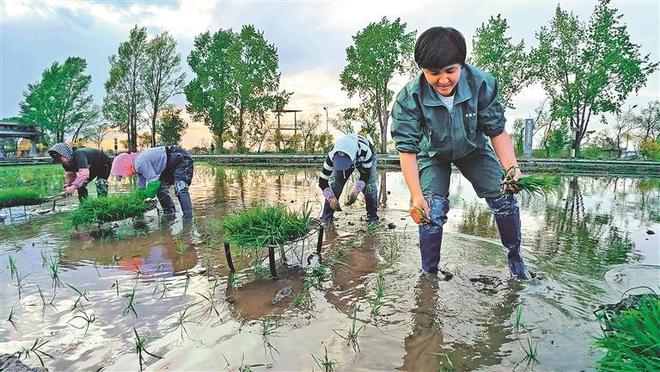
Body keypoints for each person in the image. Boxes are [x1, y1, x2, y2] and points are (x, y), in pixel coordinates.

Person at [390, 26, 531, 279]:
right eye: (434, 73)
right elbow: (407, 150)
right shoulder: (409, 97)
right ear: (423, 70)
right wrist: (415, 195)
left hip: (473, 150)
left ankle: (515, 258)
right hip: (432, 154)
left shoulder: (481, 84)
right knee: (431, 210)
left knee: (504, 198)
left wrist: (512, 170)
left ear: (461, 66)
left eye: (450, 71)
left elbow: (497, 132)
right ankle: (429, 272)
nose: (443, 80)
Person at [111, 145, 194, 220]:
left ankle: (188, 218)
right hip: (166, 166)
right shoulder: (137, 167)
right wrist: (136, 200)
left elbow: (154, 182)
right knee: (160, 189)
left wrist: (146, 195)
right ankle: (170, 214)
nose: (125, 175)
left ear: (125, 166)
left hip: (178, 158)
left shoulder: (139, 163)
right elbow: (142, 186)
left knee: (180, 186)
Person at [319, 133, 379, 223]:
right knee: (335, 185)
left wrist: (356, 191)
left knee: (370, 186)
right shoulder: (332, 156)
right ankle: (326, 218)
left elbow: (365, 174)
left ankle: (372, 217)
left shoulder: (365, 151)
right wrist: (331, 198)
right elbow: (322, 181)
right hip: (349, 157)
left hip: (362, 157)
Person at [48, 143, 112, 201]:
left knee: (100, 182)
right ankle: (84, 204)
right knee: (81, 184)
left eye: (59, 159)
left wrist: (73, 187)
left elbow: (84, 175)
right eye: (57, 160)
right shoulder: (66, 162)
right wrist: (67, 187)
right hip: (91, 166)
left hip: (103, 163)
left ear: (65, 153)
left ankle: (102, 202)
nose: (59, 162)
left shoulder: (78, 155)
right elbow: (70, 175)